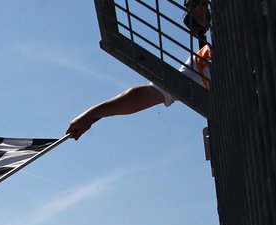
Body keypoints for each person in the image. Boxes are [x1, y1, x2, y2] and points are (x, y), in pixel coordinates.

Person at [67, 0, 210, 141]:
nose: (200, 8)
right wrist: (91, 114)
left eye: (202, 3)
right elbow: (148, 94)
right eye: (194, 4)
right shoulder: (201, 61)